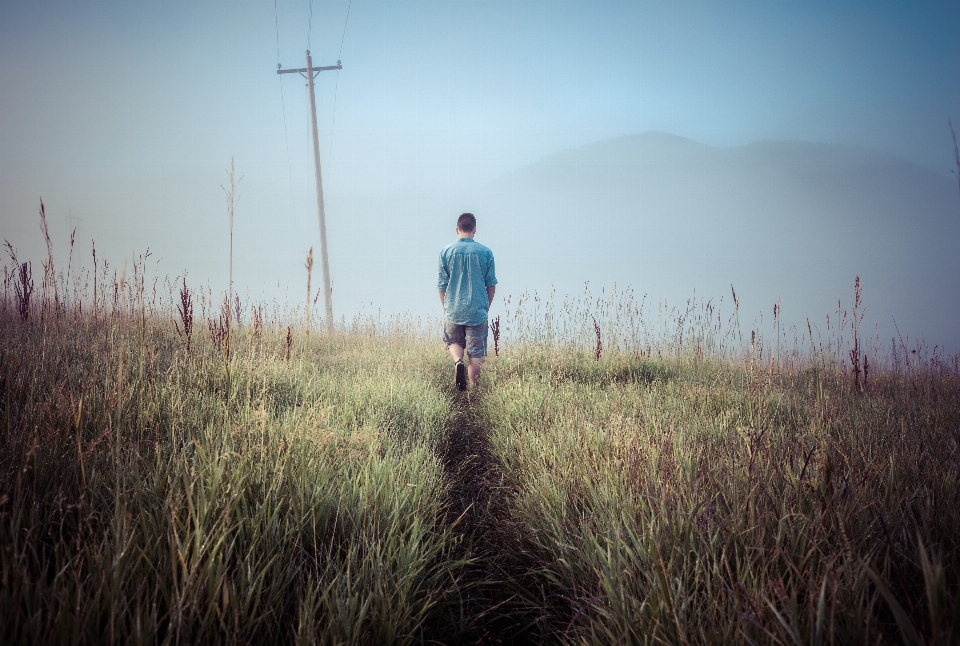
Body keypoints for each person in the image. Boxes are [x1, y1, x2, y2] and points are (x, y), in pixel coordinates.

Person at [437, 212, 497, 391]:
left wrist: (445, 307)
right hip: (477, 310)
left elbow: (441, 285)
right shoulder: (486, 252)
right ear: (474, 230)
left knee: (453, 341)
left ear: (457, 229)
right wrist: (486, 307)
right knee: (475, 354)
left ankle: (457, 362)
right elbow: (491, 285)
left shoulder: (446, 252)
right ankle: (474, 392)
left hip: (453, 308)